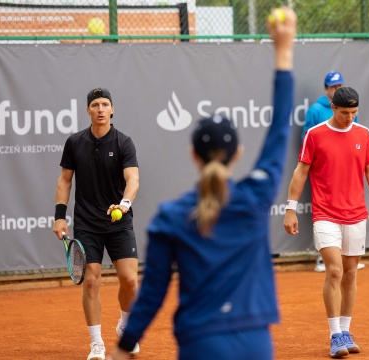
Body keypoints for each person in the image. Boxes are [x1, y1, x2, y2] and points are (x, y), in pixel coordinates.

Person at [108, 7, 296, 360]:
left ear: (193, 155)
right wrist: (283, 53)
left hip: (200, 344)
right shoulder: (255, 196)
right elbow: (279, 131)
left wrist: (124, 345)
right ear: (237, 153)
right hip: (255, 343)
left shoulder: (170, 217)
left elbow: (153, 292)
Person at [283, 86, 369, 358]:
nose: (349, 117)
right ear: (333, 108)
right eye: (344, 113)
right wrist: (290, 209)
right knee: (334, 271)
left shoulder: (363, 134)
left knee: (351, 274)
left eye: (354, 112)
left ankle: (345, 330)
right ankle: (334, 336)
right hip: (325, 215)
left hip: (355, 216)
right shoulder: (315, 135)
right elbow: (300, 172)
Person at [52, 87, 140, 360]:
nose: (100, 109)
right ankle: (96, 344)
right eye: (95, 105)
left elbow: (133, 180)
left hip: (119, 222)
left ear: (112, 110)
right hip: (87, 224)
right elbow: (65, 180)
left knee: (130, 281)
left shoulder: (124, 142)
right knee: (91, 281)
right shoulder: (75, 142)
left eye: (105, 104)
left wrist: (123, 206)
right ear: (88, 111)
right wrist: (58, 216)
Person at [303, 71, 362, 273]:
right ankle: (322, 259)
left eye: (339, 85)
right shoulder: (315, 110)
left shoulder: (351, 111)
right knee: (323, 215)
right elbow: (307, 141)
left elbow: (353, 135)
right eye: (332, 86)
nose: (336, 89)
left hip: (346, 175)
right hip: (323, 173)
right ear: (326, 89)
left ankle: (348, 258)